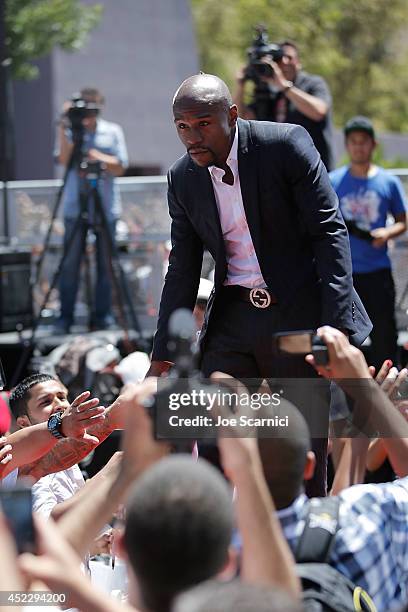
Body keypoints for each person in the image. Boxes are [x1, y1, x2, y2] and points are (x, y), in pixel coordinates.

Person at [148, 73, 371, 496]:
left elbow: (329, 232)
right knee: (213, 433)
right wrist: (162, 353)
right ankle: (221, 544)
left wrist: (335, 326)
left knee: (302, 439)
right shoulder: (182, 177)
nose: (191, 136)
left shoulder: (284, 145)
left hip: (297, 314)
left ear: (231, 115)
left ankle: (305, 544)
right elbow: (183, 266)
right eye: (182, 126)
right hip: (233, 315)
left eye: (203, 124)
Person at [255, 326, 408, 610]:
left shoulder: (222, 561)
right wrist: (366, 392)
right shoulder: (360, 527)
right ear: (309, 467)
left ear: (230, 468)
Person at [330, 116, 407, 370]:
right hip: (344, 276)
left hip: (377, 271)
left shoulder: (388, 182)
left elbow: (402, 221)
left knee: (385, 336)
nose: (358, 147)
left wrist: (385, 234)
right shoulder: (333, 181)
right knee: (347, 341)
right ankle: (354, 402)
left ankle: (390, 399)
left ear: (372, 145)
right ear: (347, 145)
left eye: (363, 142)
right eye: (353, 142)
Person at [55, 87, 128, 333]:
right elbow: (64, 160)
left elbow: (120, 166)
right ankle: (64, 318)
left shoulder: (112, 131)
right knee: (69, 263)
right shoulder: (70, 131)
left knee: (105, 264)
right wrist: (63, 125)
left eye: (91, 105)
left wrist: (98, 157)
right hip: (75, 206)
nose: (87, 110)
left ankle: (103, 317)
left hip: (105, 206)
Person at [234, 41, 334, 170]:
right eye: (280, 58)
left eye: (290, 58)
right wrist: (240, 85)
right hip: (283, 175)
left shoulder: (313, 83)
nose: (285, 62)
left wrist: (284, 86)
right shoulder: (270, 92)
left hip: (315, 169)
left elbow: (319, 111)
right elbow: (240, 120)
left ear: (298, 62)